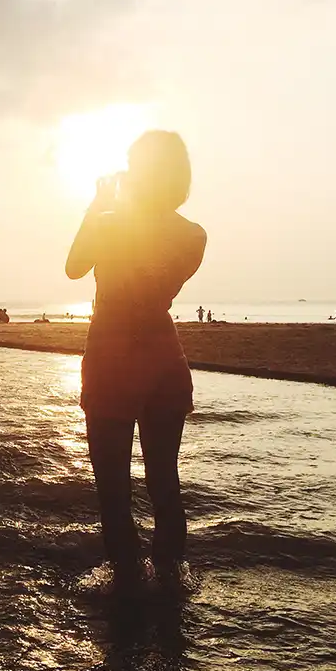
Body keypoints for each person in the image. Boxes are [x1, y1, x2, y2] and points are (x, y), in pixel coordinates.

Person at [64, 130, 207, 588]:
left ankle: (126, 586)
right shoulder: (192, 234)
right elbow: (151, 286)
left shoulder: (111, 223)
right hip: (162, 356)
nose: (125, 170)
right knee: (164, 481)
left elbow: (74, 267)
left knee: (113, 487)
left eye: (132, 163)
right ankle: (171, 586)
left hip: (112, 354)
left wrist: (99, 207)